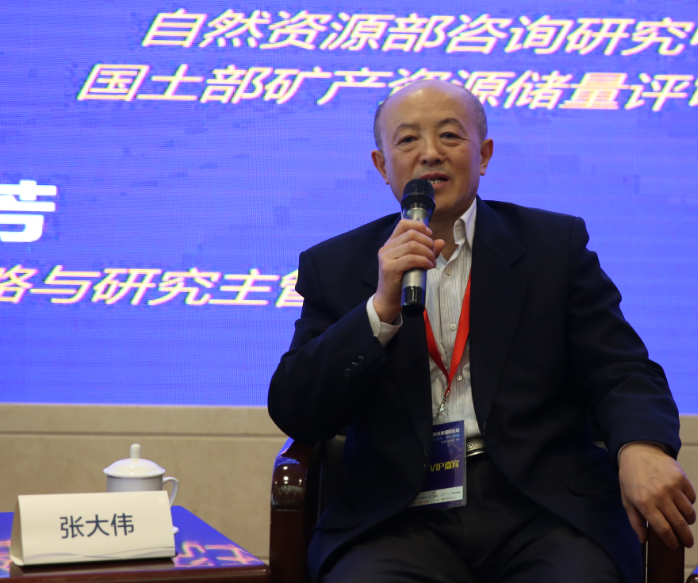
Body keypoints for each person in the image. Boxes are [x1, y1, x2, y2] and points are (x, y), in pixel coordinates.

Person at [268, 80, 695, 583]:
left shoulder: (553, 247)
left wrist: (641, 445)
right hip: (397, 517)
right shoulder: (335, 266)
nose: (430, 153)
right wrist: (379, 310)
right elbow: (297, 408)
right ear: (382, 165)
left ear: (484, 155)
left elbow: (619, 368)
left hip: (543, 508)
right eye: (408, 140)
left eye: (450, 135)